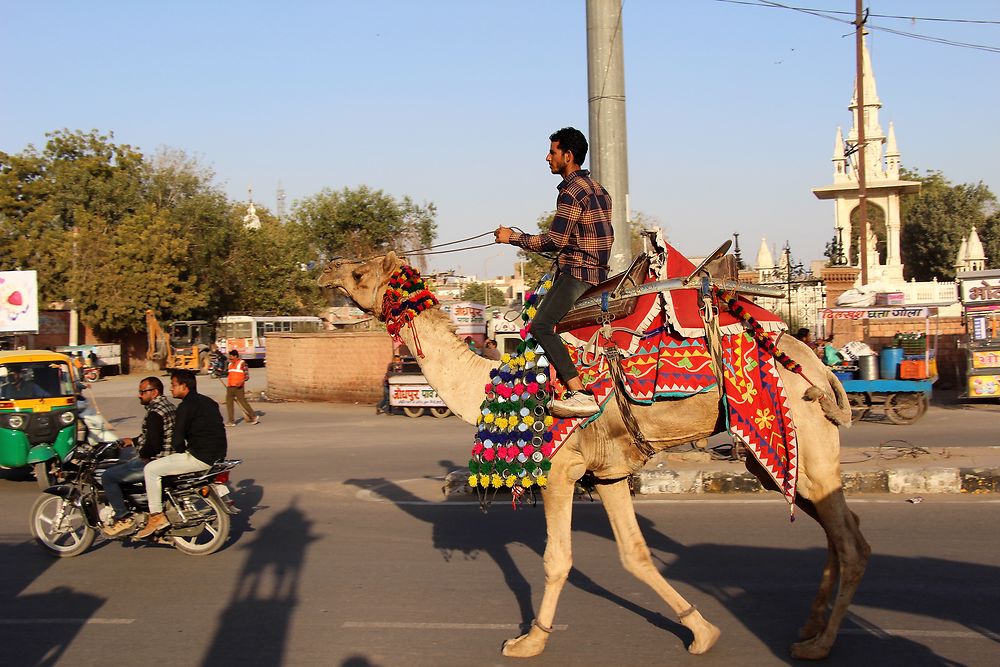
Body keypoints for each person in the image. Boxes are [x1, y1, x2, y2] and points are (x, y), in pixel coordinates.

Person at [494, 126, 613, 418]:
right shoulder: (599, 190)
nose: (548, 158)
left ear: (568, 156)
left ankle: (579, 392)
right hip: (597, 271)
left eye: (552, 152)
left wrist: (512, 238)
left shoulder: (572, 192)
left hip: (579, 274)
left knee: (540, 326)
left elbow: (554, 241)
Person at [136, 370, 228, 539]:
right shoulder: (208, 402)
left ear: (184, 386)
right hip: (218, 455)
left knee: (151, 469)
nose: (171, 389)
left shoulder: (185, 407)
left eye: (173, 385)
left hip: (200, 457)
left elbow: (177, 441)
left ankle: (156, 515)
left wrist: (179, 453)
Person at [101, 377, 176, 537]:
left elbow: (154, 444)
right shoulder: (167, 406)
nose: (139, 395)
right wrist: (133, 441)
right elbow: (154, 435)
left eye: (143, 392)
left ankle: (123, 517)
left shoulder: (155, 413)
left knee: (109, 476)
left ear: (154, 392)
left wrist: (143, 455)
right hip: (168, 457)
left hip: (156, 461)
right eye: (139, 392)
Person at [224, 349, 259, 426]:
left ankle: (253, 416)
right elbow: (228, 374)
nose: (230, 358)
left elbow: (246, 376)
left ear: (236, 356)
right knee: (229, 404)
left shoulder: (242, 363)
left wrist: (241, 382)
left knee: (243, 402)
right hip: (230, 387)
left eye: (231, 356)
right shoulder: (230, 365)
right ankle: (231, 421)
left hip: (239, 387)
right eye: (229, 356)